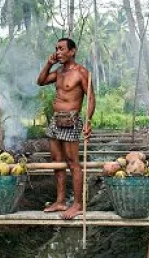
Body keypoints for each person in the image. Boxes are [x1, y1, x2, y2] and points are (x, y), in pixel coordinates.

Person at [36, 37, 95, 219]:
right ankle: (60, 201)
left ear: (72, 51)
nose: (58, 52)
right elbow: (41, 81)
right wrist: (48, 63)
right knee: (57, 161)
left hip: (72, 120)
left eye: (62, 49)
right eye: (56, 49)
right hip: (56, 120)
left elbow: (91, 97)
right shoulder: (59, 72)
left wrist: (88, 121)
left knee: (72, 163)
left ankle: (77, 204)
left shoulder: (82, 72)